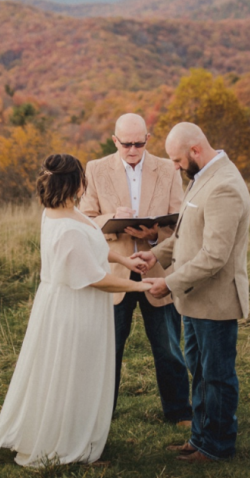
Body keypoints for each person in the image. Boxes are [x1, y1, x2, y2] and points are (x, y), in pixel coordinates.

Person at [0, 154, 152, 470]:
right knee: (71, 374)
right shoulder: (66, 228)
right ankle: (64, 448)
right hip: (72, 311)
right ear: (75, 184)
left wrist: (128, 263)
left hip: (74, 305)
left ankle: (73, 436)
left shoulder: (66, 213)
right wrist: (141, 287)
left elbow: (93, 254)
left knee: (77, 372)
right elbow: (94, 279)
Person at [134, 123, 250, 464]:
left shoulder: (225, 186)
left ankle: (217, 446)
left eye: (177, 159)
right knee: (199, 373)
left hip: (215, 302)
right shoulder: (201, 179)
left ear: (195, 151)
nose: (174, 167)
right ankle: (200, 438)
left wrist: (167, 283)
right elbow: (187, 238)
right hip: (194, 300)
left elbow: (215, 255)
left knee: (217, 376)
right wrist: (156, 254)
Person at [80, 113, 192, 424]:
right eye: (126, 144)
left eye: (139, 143)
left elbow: (180, 219)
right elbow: (86, 219)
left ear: (147, 139)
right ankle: (102, 415)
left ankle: (180, 412)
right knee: (109, 349)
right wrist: (112, 218)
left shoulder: (167, 169)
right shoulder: (95, 169)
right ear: (114, 140)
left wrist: (154, 235)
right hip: (115, 274)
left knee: (169, 345)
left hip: (157, 269)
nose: (132, 150)